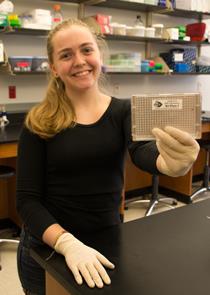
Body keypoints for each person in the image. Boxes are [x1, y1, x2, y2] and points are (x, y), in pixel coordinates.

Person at [16, 18, 200, 295]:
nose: (79, 61)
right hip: (48, 248)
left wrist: (171, 163)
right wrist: (67, 243)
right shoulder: (39, 121)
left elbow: (142, 152)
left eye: (86, 50)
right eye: (66, 55)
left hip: (106, 241)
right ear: (54, 67)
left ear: (99, 55)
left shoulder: (123, 111)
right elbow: (27, 202)